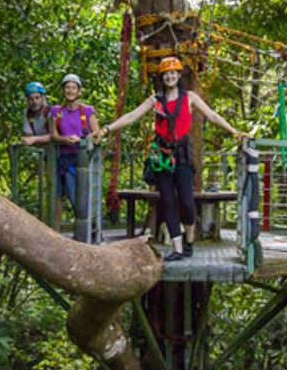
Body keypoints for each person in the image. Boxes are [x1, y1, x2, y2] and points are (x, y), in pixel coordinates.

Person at [100, 56, 246, 261]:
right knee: (168, 201)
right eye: (166, 73)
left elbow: (211, 115)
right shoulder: (155, 100)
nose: (170, 76)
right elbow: (132, 115)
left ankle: (188, 240)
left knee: (187, 201)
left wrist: (234, 131)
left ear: (178, 75)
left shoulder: (190, 97)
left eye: (173, 72)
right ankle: (177, 249)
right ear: (162, 77)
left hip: (182, 154)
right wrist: (107, 128)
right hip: (161, 156)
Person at [51, 73, 101, 231]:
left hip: (85, 159)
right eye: (67, 88)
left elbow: (97, 135)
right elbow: (54, 135)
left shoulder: (87, 111)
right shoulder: (56, 111)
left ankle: (91, 231)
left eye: (73, 88)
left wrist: (81, 141)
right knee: (74, 198)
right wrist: (65, 140)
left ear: (79, 91)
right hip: (67, 160)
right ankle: (83, 233)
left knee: (86, 198)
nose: (70, 91)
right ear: (63, 90)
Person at [22, 82, 52, 146]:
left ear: (43, 98)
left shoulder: (51, 112)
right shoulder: (28, 114)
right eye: (31, 99)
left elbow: (54, 136)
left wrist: (35, 139)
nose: (34, 101)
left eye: (37, 98)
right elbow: (28, 137)